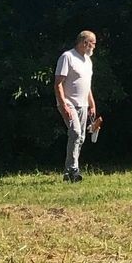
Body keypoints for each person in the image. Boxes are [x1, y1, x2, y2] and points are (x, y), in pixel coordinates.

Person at [54, 29, 100, 183]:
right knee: (75, 133)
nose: (94, 47)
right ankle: (74, 171)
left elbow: (86, 85)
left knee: (80, 138)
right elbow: (58, 84)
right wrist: (63, 105)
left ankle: (69, 172)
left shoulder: (88, 61)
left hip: (83, 105)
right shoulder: (67, 57)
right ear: (84, 42)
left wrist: (92, 104)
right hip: (68, 103)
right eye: (92, 44)